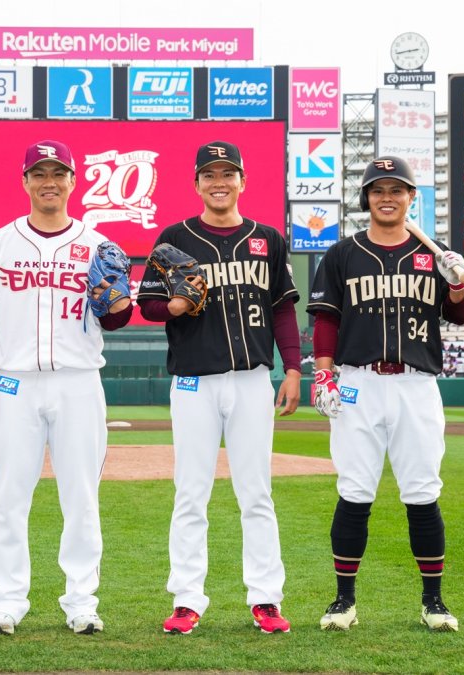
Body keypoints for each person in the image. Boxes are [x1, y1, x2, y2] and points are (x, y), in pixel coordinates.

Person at [0, 140, 133, 636]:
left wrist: (117, 303)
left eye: (58, 173)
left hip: (78, 381)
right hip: (14, 382)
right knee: (8, 497)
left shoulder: (97, 245)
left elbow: (117, 320)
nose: (49, 182)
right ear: (24, 182)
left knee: (81, 498)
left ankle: (81, 601)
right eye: (38, 173)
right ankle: (6, 602)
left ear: (73, 182)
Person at [137, 140, 302, 635]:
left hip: (252, 380)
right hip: (193, 382)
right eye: (209, 174)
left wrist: (293, 369)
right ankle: (187, 599)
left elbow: (282, 309)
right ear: (196, 184)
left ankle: (266, 598)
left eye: (228, 173)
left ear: (242, 181)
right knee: (191, 492)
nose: (219, 182)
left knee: (257, 493)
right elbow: (147, 304)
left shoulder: (267, 239)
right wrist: (174, 306)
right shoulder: (174, 237)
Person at [306, 156, 464, 633]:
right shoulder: (342, 254)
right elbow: (326, 320)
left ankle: (433, 602)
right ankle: (343, 600)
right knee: (354, 491)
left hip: (416, 384)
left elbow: (459, 314)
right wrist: (323, 373)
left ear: (410, 197)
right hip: (358, 382)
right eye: (377, 190)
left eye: (396, 189)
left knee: (422, 493)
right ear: (366, 199)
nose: (386, 197)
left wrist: (455, 284)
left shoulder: (433, 254)